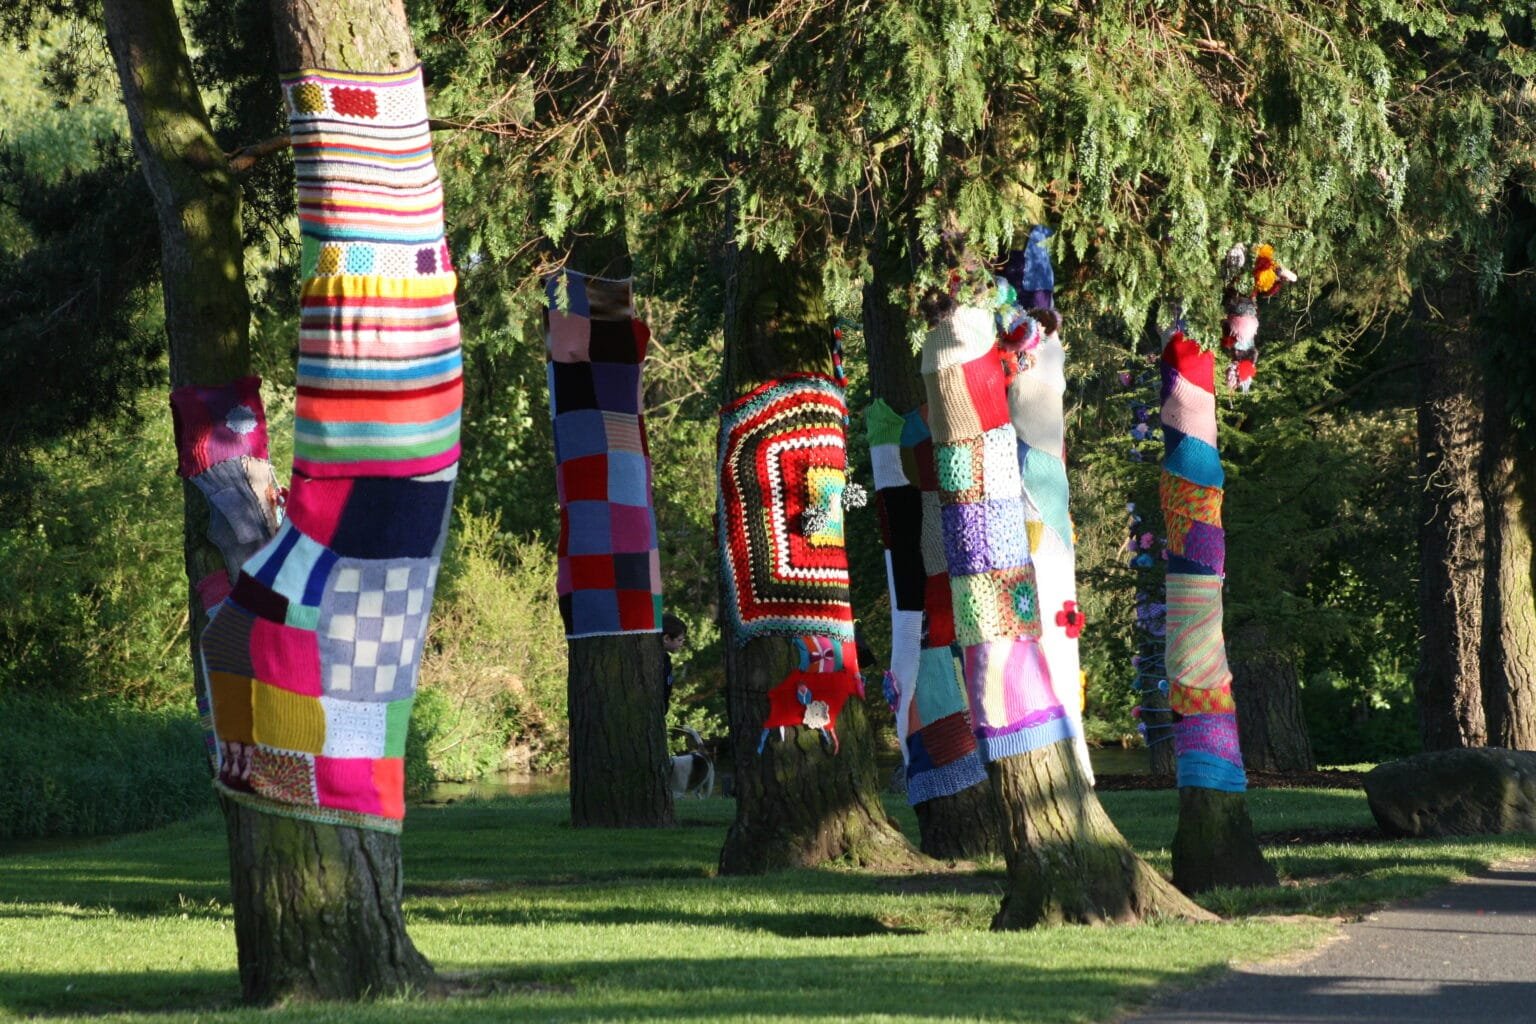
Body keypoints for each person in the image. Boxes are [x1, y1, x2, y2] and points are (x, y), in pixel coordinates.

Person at [661, 613, 687, 705]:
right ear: (666, 638)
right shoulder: (660, 662)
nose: (681, 644)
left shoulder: (666, 660)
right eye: (679, 640)